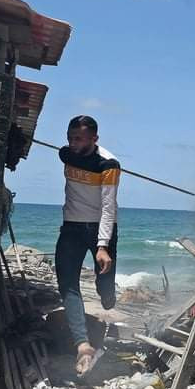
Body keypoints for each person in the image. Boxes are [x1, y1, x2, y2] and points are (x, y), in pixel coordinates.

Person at [54, 115, 120, 375]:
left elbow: (108, 207)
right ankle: (83, 344)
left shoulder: (108, 164)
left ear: (94, 139)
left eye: (78, 138)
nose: (72, 143)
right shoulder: (66, 154)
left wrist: (102, 246)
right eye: (70, 138)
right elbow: (63, 152)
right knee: (67, 283)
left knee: (105, 286)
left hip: (100, 228)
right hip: (71, 226)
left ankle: (107, 293)